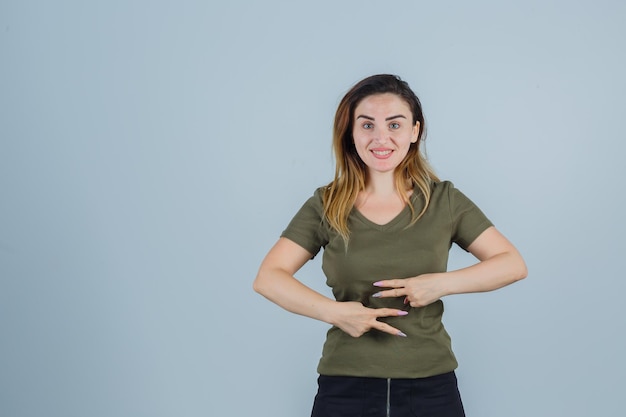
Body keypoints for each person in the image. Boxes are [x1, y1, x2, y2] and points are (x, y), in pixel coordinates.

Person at [253, 74, 527, 417]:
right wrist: (336, 313)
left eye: (394, 125)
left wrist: (439, 284)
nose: (381, 138)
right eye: (367, 125)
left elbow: (512, 264)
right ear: (351, 134)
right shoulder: (326, 204)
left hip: (430, 385)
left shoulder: (445, 201)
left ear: (415, 131)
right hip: (345, 385)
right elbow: (268, 276)